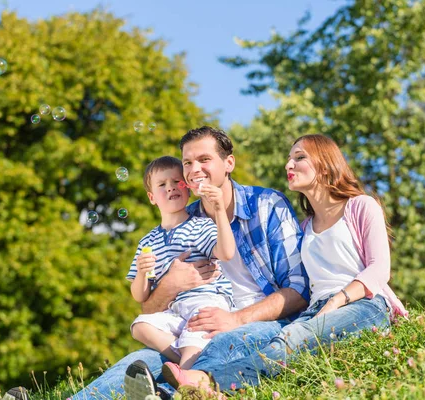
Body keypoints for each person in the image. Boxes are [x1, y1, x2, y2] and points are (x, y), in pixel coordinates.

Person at [69, 126, 311, 400]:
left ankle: (170, 395)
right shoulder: (183, 219)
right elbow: (148, 306)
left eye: (204, 159)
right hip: (191, 326)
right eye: (187, 162)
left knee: (219, 343)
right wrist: (170, 284)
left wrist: (235, 319)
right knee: (141, 359)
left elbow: (300, 289)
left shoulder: (267, 204)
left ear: (228, 163)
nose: (194, 169)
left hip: (261, 323)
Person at [159, 134, 409, 396]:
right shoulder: (304, 228)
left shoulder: (360, 206)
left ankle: (202, 381)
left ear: (326, 163)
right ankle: (194, 392)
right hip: (315, 310)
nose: (289, 165)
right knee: (250, 342)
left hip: (364, 304)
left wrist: (337, 300)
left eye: (299, 158)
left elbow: (380, 270)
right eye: (289, 159)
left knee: (288, 342)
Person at [126, 155, 236, 373]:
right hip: (176, 312)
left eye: (177, 182)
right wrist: (141, 273)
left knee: (191, 341)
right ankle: (183, 362)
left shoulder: (200, 226)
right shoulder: (148, 241)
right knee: (140, 326)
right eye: (162, 184)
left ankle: (188, 382)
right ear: (151, 197)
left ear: (187, 188)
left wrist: (220, 210)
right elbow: (140, 296)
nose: (171, 188)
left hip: (205, 304)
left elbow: (226, 252)